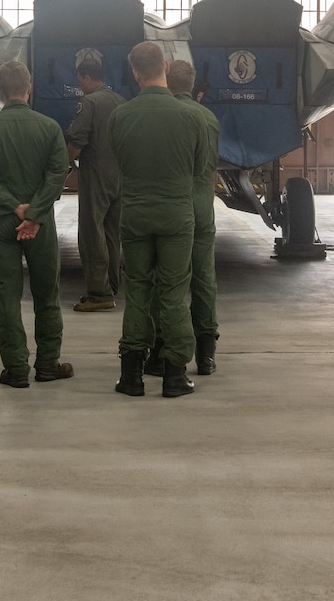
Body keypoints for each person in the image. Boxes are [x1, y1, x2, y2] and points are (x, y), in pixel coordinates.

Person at [110, 41, 210, 399]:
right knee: (173, 292)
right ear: (165, 67)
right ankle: (174, 374)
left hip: (134, 214)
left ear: (135, 72)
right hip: (176, 215)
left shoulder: (121, 115)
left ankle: (132, 374)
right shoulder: (191, 116)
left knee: (137, 290)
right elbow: (199, 170)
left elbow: (120, 162)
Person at [0, 60, 72, 388]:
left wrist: (14, 206)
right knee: (46, 293)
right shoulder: (49, 128)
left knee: (6, 296)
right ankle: (48, 364)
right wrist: (34, 213)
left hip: (0, 223)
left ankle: (15, 368)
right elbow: (58, 173)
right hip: (40, 226)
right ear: (29, 87)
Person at [167, 59, 221, 376]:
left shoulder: (161, 116)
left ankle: (167, 350)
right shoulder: (209, 117)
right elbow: (209, 166)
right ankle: (206, 353)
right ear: (193, 84)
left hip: (173, 204)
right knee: (204, 279)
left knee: (169, 280)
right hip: (202, 204)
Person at [65, 54, 124, 312]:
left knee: (91, 232)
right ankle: (112, 286)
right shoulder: (120, 101)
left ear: (88, 78)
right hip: (121, 176)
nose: (80, 87)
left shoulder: (89, 102)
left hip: (96, 174)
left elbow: (77, 141)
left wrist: (63, 165)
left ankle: (99, 293)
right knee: (113, 234)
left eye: (81, 82)